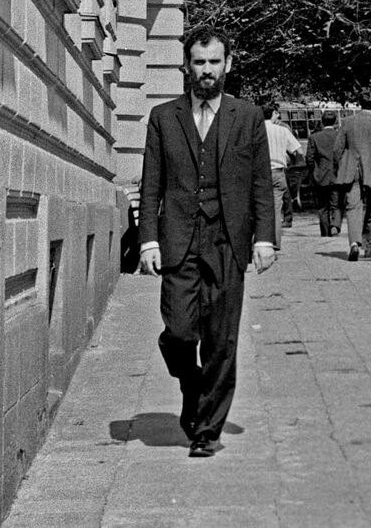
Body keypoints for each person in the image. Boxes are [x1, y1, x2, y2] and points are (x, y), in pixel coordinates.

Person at [137, 28, 276, 458]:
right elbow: (150, 185)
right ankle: (193, 387)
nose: (207, 71)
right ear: (186, 66)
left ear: (228, 65)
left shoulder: (248, 117)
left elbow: (260, 184)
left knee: (221, 340)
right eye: (199, 62)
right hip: (179, 239)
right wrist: (148, 242)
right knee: (179, 332)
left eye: (214, 62)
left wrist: (265, 239)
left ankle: (207, 430)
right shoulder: (164, 117)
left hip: (228, 241)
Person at [336, 106, 371, 261]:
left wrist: (340, 166)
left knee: (353, 207)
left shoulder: (347, 122)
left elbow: (337, 149)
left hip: (351, 170)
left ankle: (354, 243)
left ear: (359, 104)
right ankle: (369, 246)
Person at [262, 102, 305, 235]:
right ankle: (274, 241)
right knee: (276, 206)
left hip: (260, 173)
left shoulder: (254, 129)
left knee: (261, 207)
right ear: (273, 114)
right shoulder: (283, 130)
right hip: (278, 171)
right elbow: (299, 151)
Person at [306, 115, 345, 236]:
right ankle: (335, 225)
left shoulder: (314, 137)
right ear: (335, 122)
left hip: (321, 174)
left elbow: (309, 158)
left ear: (322, 122)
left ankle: (325, 231)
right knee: (337, 203)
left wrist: (314, 171)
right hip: (337, 174)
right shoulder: (340, 136)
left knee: (322, 206)